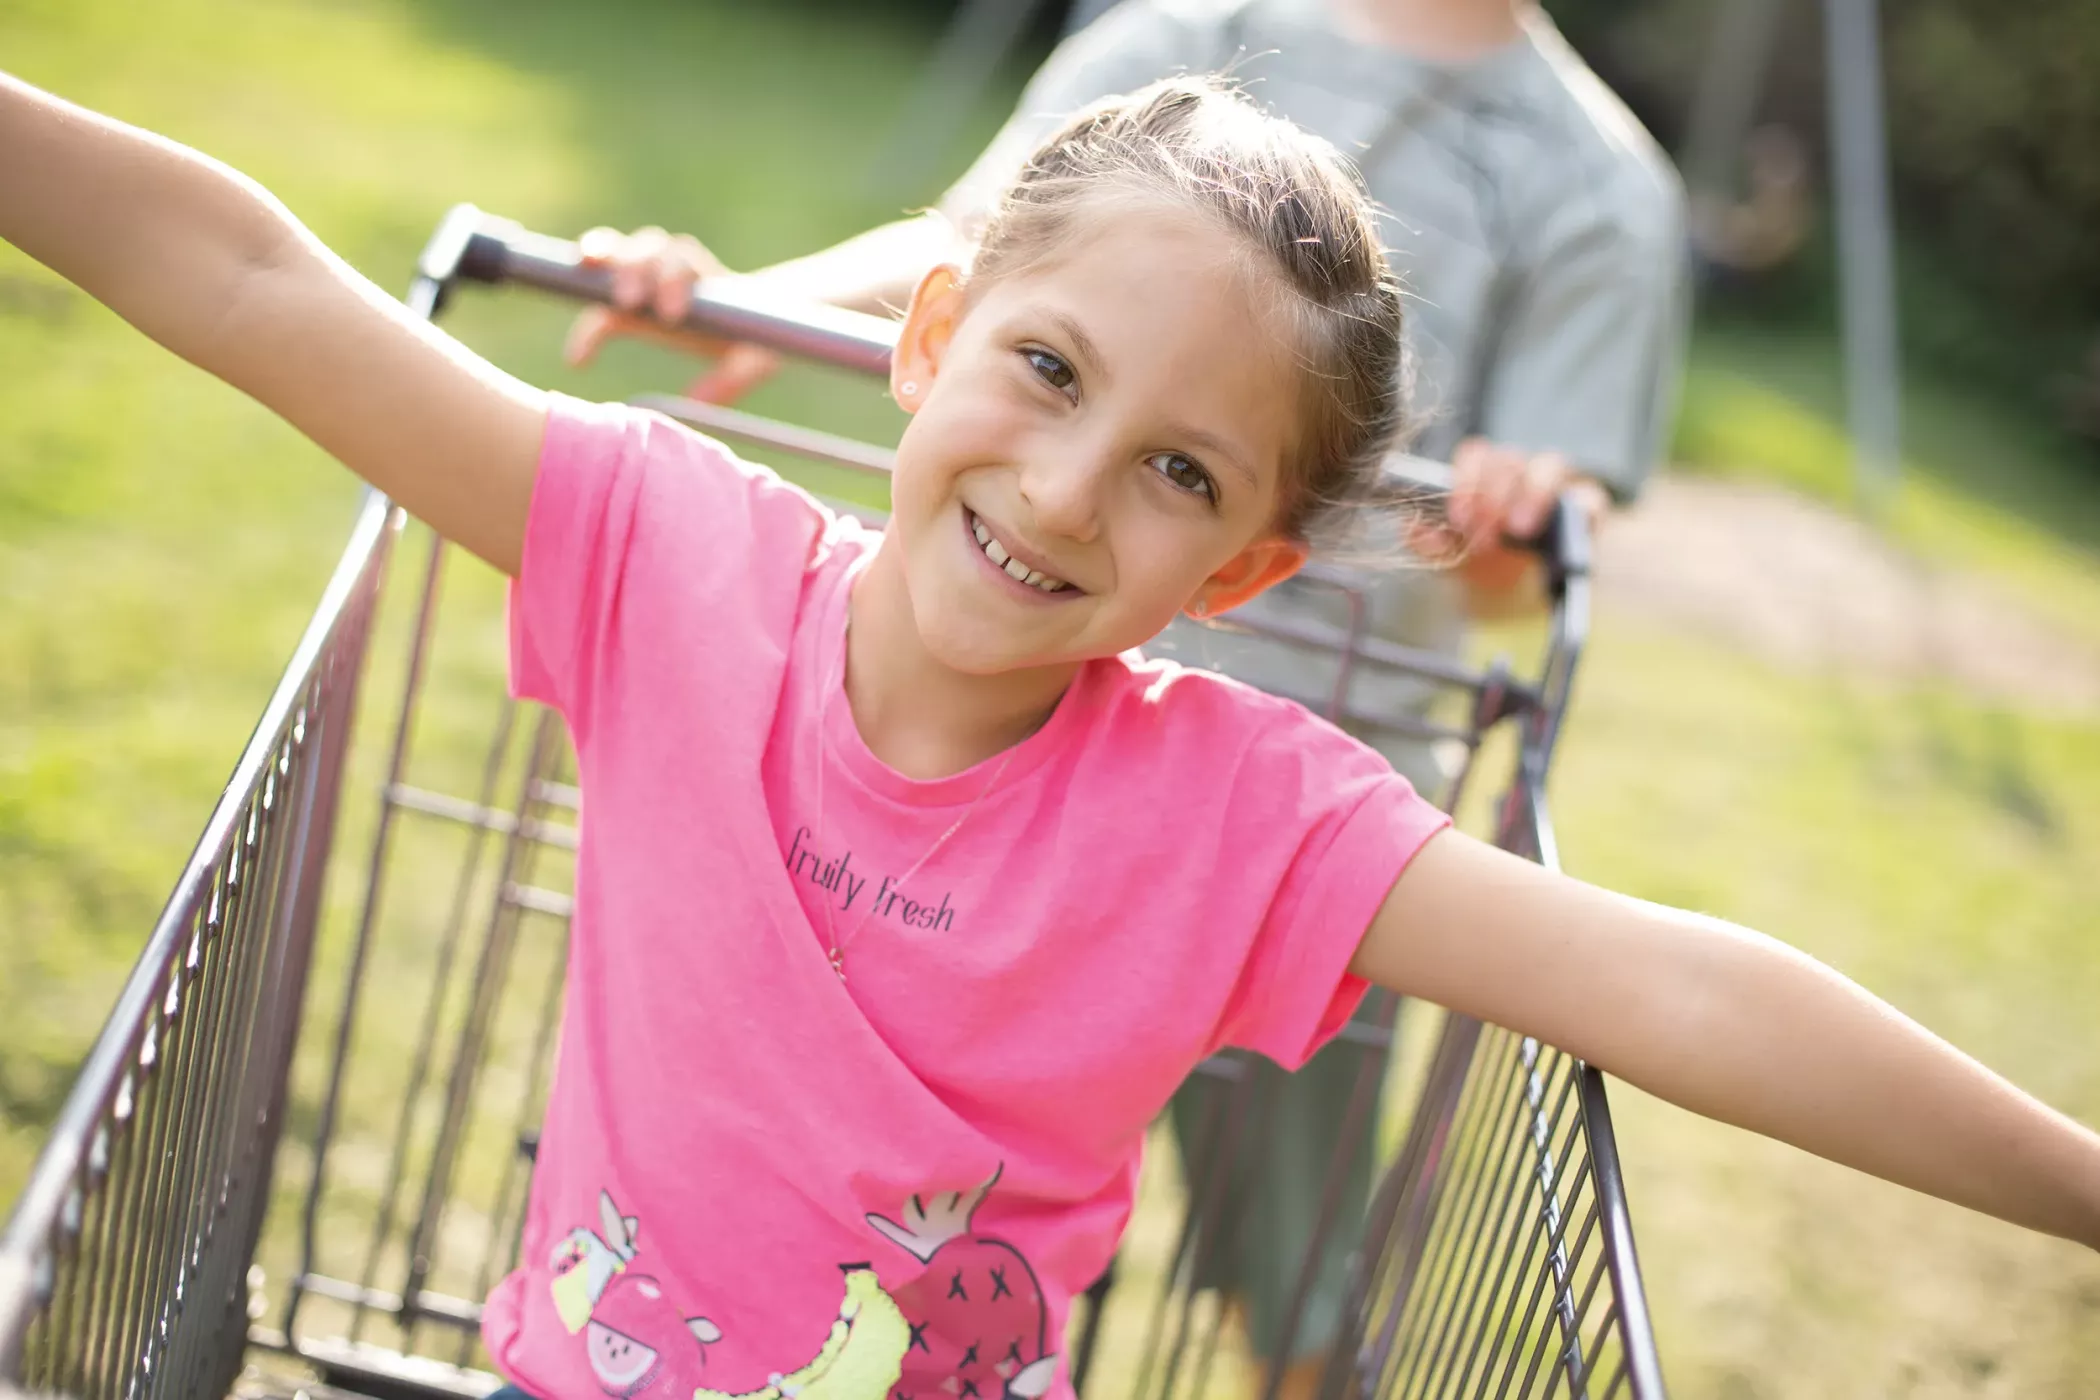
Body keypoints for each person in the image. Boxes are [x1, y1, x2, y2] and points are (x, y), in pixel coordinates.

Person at [5, 68, 2097, 1400]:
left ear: (1248, 576)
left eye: (1186, 474)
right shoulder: (664, 549)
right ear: (931, 341)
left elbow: (1666, 981)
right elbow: (260, 280)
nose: (1076, 487)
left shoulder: (1240, 816)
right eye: (1046, 368)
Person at [561, 0, 1686, 1380]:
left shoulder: (1599, 188)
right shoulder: (1190, 31)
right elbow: (982, 249)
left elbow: (1521, 572)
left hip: (1284, 824)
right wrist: (747, 296)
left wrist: (1517, 519)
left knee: (1291, 1270)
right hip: (999, 730)